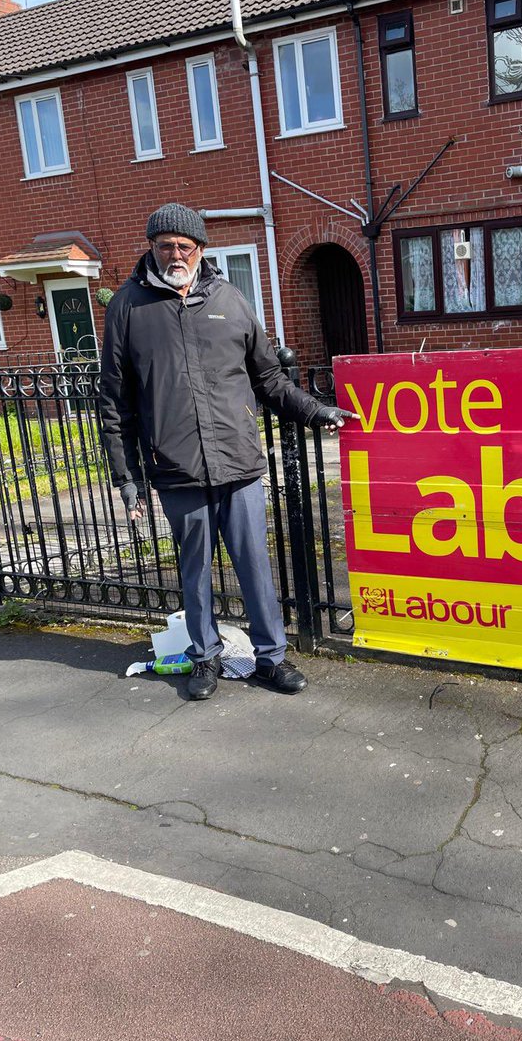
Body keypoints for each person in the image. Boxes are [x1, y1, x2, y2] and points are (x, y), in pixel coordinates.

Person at [99, 203, 354, 700]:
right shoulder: (128, 307)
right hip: (176, 468)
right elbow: (114, 401)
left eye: (184, 246)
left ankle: (271, 659)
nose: (175, 254)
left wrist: (316, 411)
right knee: (193, 572)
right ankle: (205, 659)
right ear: (152, 248)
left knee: (255, 565)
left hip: (237, 462)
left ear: (200, 250)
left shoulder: (230, 300)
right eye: (165, 245)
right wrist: (126, 478)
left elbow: (268, 378)